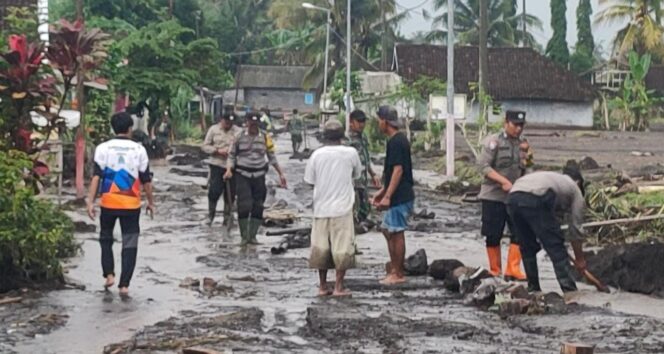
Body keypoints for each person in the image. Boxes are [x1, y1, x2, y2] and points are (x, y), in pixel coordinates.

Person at [86, 112, 155, 296]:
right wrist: (150, 202)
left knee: (106, 239)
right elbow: (146, 179)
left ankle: (109, 275)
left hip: (108, 203)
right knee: (130, 243)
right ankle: (124, 285)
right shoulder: (139, 150)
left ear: (113, 128)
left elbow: (96, 176)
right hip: (131, 205)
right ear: (130, 128)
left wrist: (90, 201)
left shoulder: (103, 148)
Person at [506, 168, 588, 293]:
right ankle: (570, 291)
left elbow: (551, 219)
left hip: (513, 198)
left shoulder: (554, 180)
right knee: (556, 247)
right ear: (578, 183)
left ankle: (533, 289)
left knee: (527, 246)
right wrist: (580, 259)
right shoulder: (575, 189)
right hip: (535, 197)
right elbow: (576, 228)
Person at [305, 119, 362, 297]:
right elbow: (357, 175)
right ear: (341, 136)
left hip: (321, 208)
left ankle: (322, 286)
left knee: (321, 248)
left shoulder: (317, 155)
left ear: (324, 137)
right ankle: (338, 286)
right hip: (343, 208)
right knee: (342, 248)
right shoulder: (351, 153)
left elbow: (309, 181)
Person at [477, 110, 530, 281]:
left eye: (521, 125)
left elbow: (527, 167)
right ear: (505, 123)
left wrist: (528, 157)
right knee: (493, 234)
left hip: (515, 196)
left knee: (519, 232)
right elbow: (483, 167)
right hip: (493, 196)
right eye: (515, 125)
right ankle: (495, 269)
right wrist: (503, 181)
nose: (518, 129)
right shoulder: (494, 142)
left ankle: (512, 269)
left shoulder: (523, 144)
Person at [225, 112, 287, 245]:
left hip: (259, 175)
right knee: (244, 205)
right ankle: (244, 237)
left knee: (258, 205)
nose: (253, 126)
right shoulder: (238, 137)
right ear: (246, 123)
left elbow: (272, 157)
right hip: (242, 175)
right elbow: (231, 155)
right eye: (251, 123)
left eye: (255, 123)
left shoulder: (265, 137)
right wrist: (229, 170)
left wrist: (281, 173)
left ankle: (252, 236)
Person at [372, 106, 415, 285]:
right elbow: (392, 173)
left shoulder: (397, 142)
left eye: (379, 120)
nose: (378, 124)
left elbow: (398, 170)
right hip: (399, 194)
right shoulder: (396, 140)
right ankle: (396, 270)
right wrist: (381, 193)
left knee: (395, 231)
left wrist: (388, 196)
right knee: (389, 229)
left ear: (385, 121)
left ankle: (398, 273)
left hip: (400, 195)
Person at [202, 113, 242, 226]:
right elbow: (205, 146)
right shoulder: (213, 130)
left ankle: (228, 217)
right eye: (226, 122)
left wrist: (232, 151)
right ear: (221, 120)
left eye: (231, 123)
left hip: (233, 166)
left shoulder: (238, 131)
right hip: (217, 165)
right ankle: (210, 216)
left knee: (231, 193)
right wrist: (217, 151)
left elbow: (242, 147)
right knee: (214, 191)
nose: (228, 125)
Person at [346, 110, 382, 229]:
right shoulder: (347, 139)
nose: (362, 124)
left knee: (364, 209)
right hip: (352, 182)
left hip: (363, 180)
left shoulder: (363, 138)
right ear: (351, 122)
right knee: (353, 211)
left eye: (363, 121)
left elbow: (366, 158)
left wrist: (373, 174)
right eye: (359, 121)